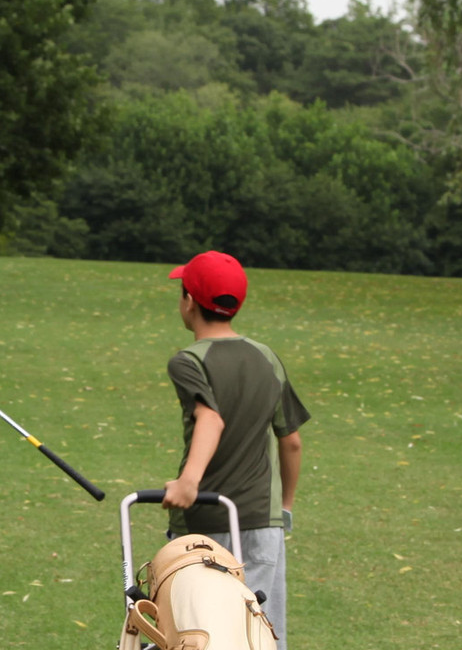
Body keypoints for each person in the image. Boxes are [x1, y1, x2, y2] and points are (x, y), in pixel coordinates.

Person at [161, 250, 310, 650]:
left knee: (200, 632)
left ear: (189, 301)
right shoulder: (266, 358)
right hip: (263, 521)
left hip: (204, 522)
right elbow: (291, 440)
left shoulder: (189, 361)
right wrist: (287, 507)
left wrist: (189, 482)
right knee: (258, 633)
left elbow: (210, 419)